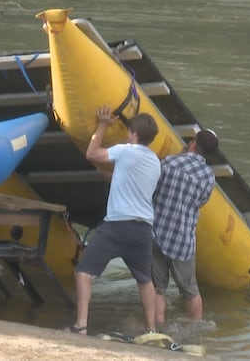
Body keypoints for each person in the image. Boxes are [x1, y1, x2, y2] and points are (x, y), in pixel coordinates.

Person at [64, 104, 161, 335]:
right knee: (145, 281)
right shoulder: (155, 162)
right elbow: (131, 180)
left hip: (117, 226)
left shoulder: (125, 151)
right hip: (144, 229)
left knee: (84, 272)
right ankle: (151, 331)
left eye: (129, 132)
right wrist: (110, 175)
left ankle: (81, 325)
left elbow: (92, 154)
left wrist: (103, 125)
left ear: (134, 135)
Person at [151, 128, 219, 325]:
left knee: (158, 288)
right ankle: (196, 327)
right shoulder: (208, 177)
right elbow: (201, 203)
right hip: (183, 240)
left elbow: (153, 190)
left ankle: (158, 327)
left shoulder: (169, 162)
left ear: (193, 143)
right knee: (190, 291)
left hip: (157, 233)